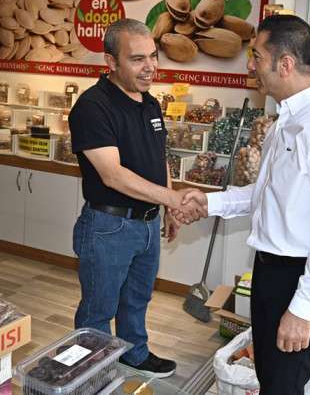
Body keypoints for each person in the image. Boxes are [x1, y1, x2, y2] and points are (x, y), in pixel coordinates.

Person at [175, 15, 310, 395]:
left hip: (300, 278)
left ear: (285, 63)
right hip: (268, 273)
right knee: (270, 381)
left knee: (283, 387)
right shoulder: (283, 123)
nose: (250, 66)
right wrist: (208, 202)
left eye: (257, 57)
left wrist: (303, 308)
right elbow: (264, 194)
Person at [68, 19, 203, 378]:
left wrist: (169, 206)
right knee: (99, 308)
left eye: (153, 57)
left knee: (137, 298)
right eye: (137, 59)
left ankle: (134, 353)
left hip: (146, 225)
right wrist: (173, 198)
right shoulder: (93, 106)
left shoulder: (150, 104)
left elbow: (159, 158)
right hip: (108, 226)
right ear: (111, 61)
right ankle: (91, 371)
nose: (150, 67)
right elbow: (112, 175)